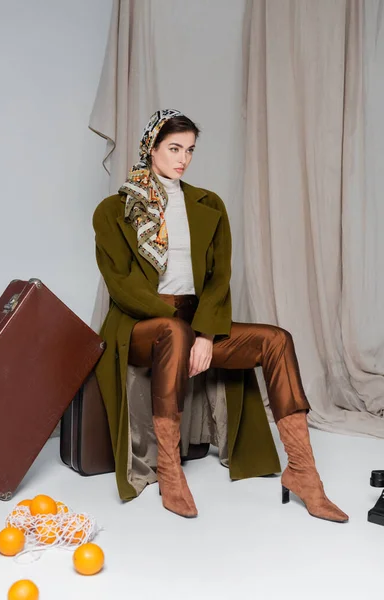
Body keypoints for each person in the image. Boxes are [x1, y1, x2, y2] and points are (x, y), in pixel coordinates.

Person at [93, 108, 349, 523]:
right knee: (173, 332)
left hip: (197, 321)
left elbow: (219, 278)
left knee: (276, 339)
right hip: (138, 326)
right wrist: (182, 326)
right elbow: (123, 287)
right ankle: (169, 472)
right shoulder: (112, 210)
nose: (183, 159)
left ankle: (304, 473)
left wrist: (206, 335)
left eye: (190, 150)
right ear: (152, 148)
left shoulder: (207, 204)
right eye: (174, 148)